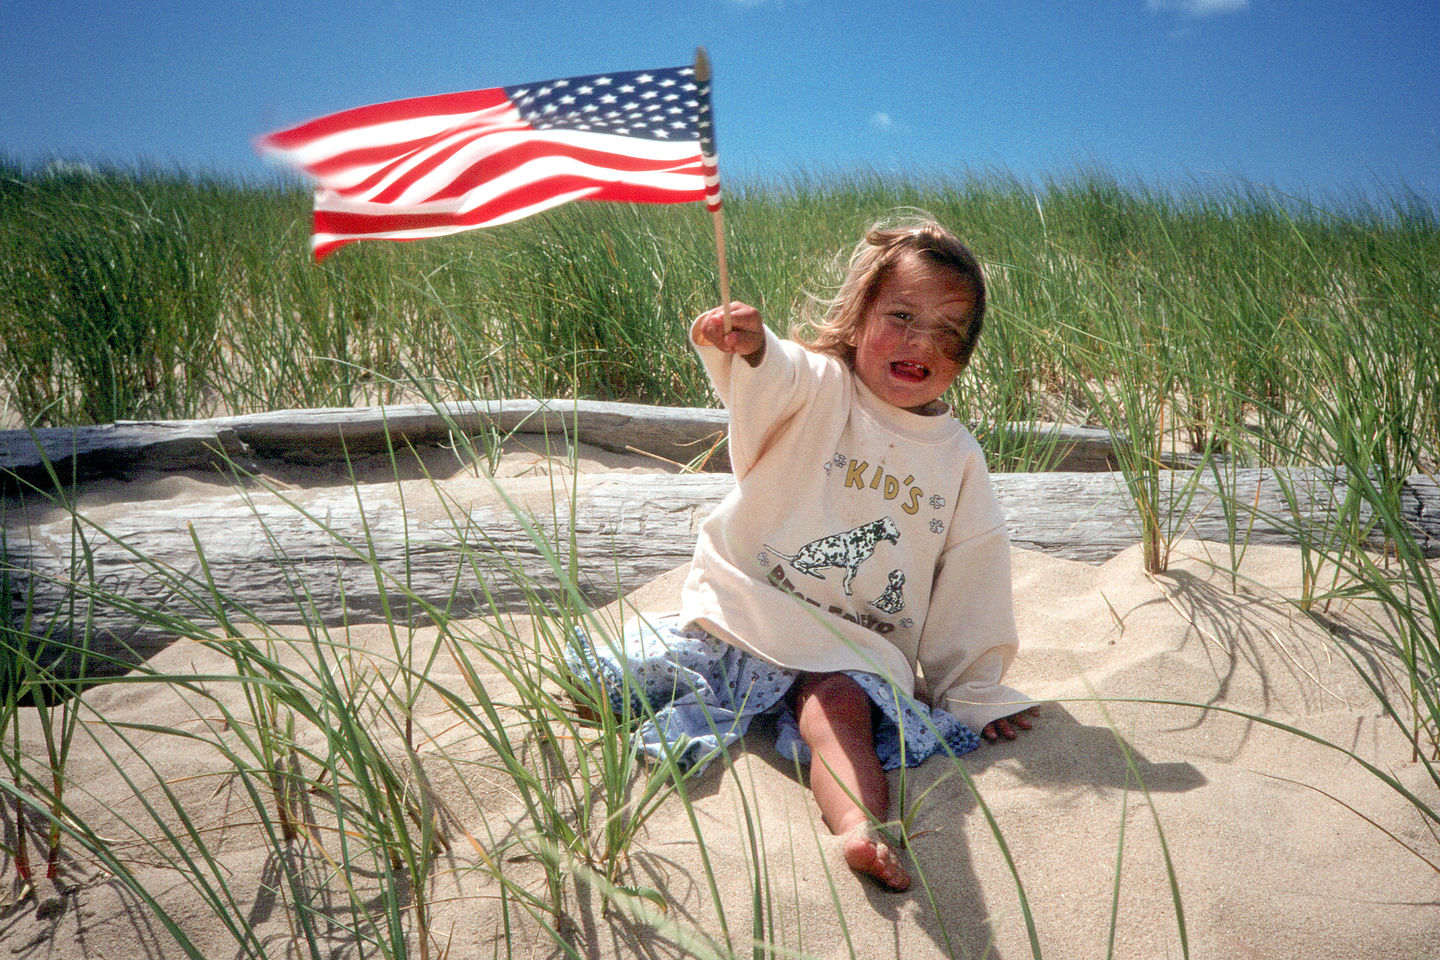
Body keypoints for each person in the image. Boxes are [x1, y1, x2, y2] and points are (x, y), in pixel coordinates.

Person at [569, 216, 1035, 892]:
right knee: (612, 682)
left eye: (948, 330)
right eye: (902, 316)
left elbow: (974, 574)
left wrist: (974, 690)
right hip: (748, 610)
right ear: (858, 316)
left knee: (839, 716)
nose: (920, 342)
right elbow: (777, 376)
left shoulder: (957, 457)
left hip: (849, 645)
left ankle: (860, 828)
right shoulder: (821, 386)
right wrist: (753, 349)